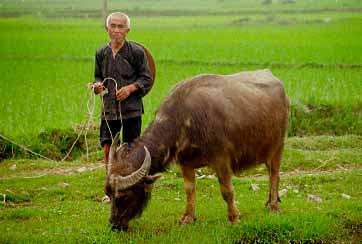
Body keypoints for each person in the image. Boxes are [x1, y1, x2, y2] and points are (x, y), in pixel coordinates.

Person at [93, 12, 153, 172]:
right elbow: (98, 76)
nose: (116, 30)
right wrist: (97, 85)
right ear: (107, 29)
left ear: (128, 30)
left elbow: (147, 78)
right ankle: (110, 180)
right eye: (113, 26)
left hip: (131, 110)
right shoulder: (101, 53)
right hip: (108, 109)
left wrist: (130, 89)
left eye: (121, 26)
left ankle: (129, 180)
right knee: (107, 146)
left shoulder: (136, 52)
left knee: (130, 148)